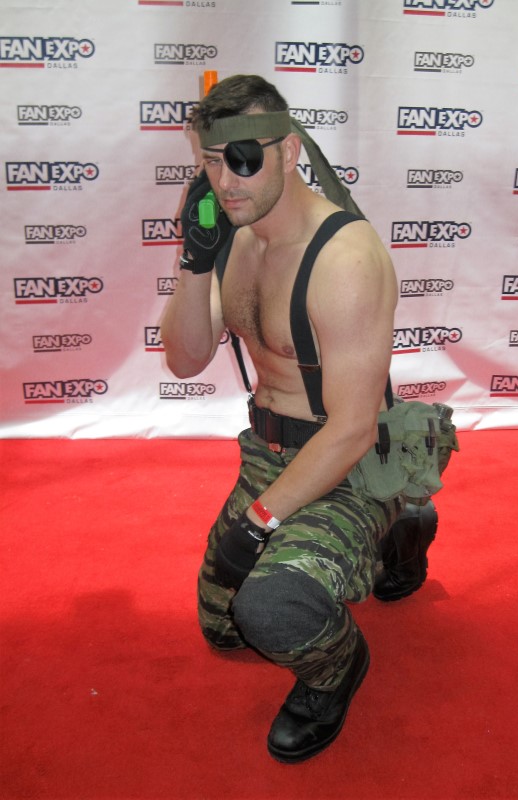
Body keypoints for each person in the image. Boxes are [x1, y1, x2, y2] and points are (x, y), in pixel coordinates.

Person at [160, 74, 431, 763]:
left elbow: (352, 428)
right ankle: (402, 533)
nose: (227, 182)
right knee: (225, 628)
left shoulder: (344, 258)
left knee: (271, 607)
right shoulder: (236, 237)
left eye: (243, 160)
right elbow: (185, 360)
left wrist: (260, 522)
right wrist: (194, 261)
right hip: (269, 451)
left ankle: (338, 668)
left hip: (351, 465)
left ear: (287, 151)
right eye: (211, 163)